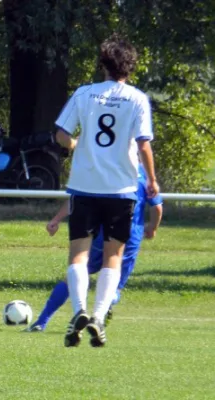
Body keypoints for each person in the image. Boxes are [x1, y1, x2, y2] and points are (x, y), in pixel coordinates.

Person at [54, 34, 160, 347]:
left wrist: (74, 144)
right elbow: (143, 144)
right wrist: (152, 180)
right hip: (121, 188)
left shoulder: (84, 94)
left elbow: (61, 133)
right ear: (130, 67)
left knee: (79, 254)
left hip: (84, 187)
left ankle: (79, 310)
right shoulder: (137, 98)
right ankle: (99, 316)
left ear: (103, 64)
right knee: (114, 256)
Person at [26, 165, 163, 332]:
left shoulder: (103, 166)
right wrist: (153, 228)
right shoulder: (144, 174)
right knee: (115, 284)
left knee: (74, 274)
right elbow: (157, 207)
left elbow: (77, 199)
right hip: (131, 238)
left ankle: (42, 322)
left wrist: (56, 219)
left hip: (103, 234)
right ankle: (105, 308)